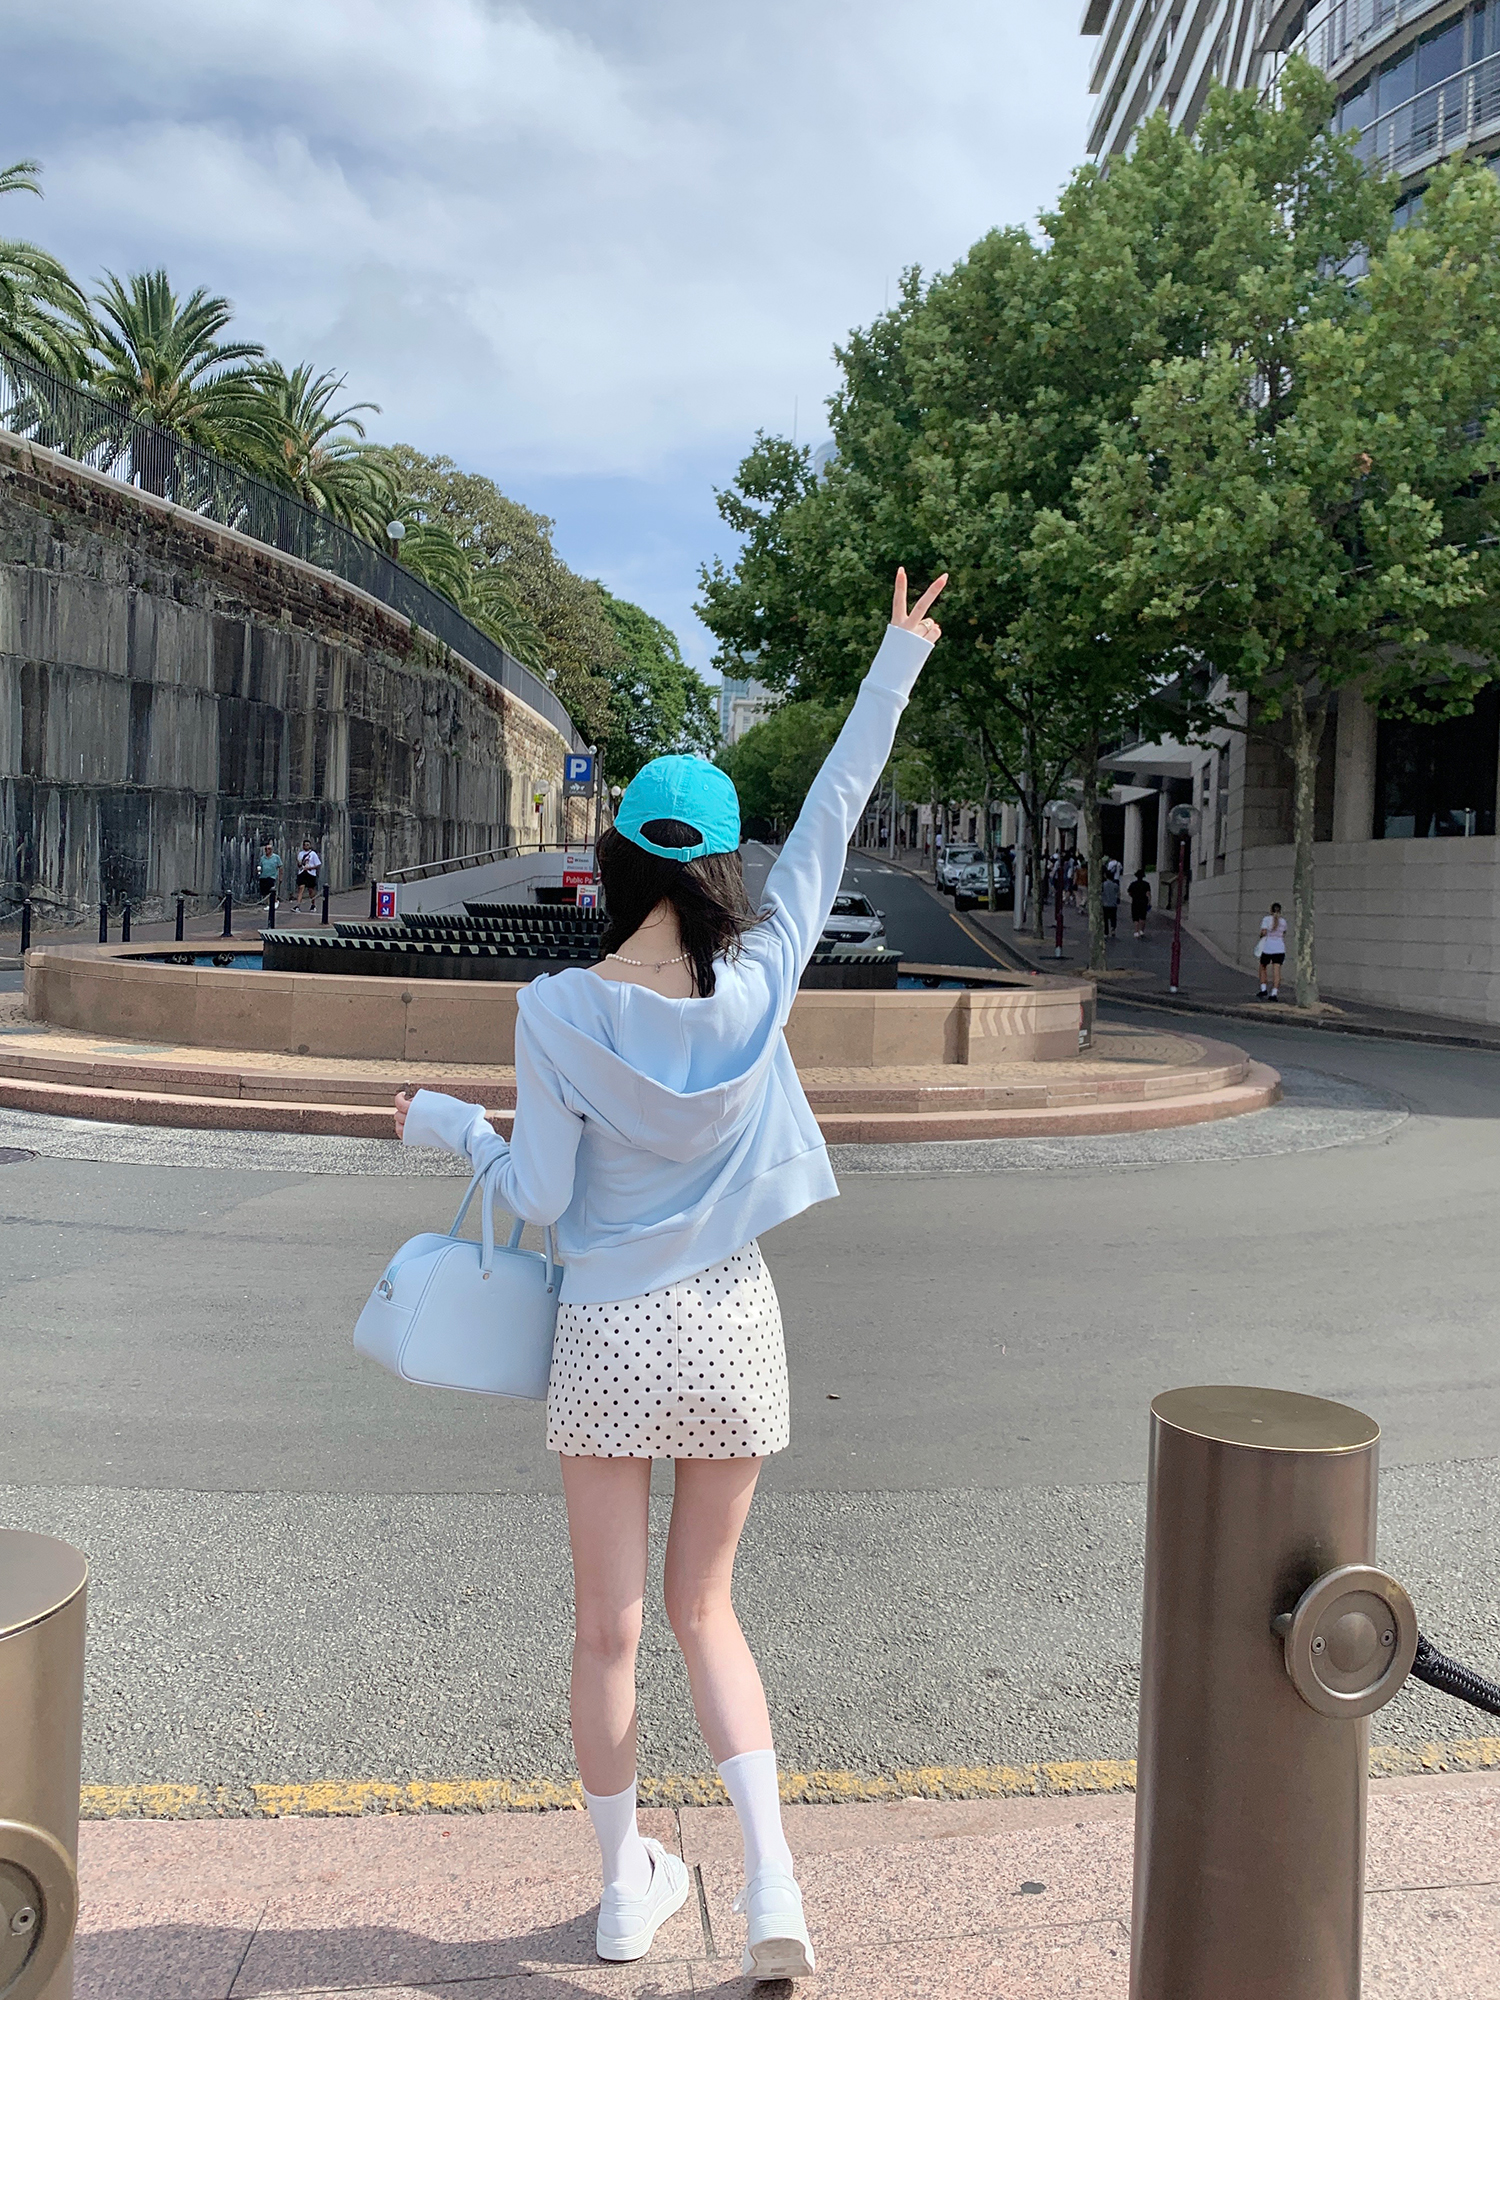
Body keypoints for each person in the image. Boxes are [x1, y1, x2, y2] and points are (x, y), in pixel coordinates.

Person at [395, 569, 946, 1981]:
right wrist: (893, 659)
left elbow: (540, 1197)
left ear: (620, 861)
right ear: (717, 872)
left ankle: (621, 1893)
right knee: (709, 1611)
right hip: (732, 1328)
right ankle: (773, 1890)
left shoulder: (557, 1011)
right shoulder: (762, 982)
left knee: (610, 1628)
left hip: (609, 1335)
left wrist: (449, 1128)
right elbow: (831, 814)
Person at [1256, 901, 1288, 999]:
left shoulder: (1266, 919)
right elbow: (1284, 933)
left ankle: (1263, 989)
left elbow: (1263, 932)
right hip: (1280, 948)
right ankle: (1274, 993)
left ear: (1271, 910)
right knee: (1276, 971)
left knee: (1263, 967)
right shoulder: (1283, 921)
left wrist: (1260, 936)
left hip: (1268, 948)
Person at [294, 839, 322, 914]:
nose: (306, 846)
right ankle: (298, 906)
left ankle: (313, 905)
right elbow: (299, 865)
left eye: (307, 845)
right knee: (301, 888)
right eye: (305, 845)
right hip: (302, 873)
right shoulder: (300, 854)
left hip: (310, 874)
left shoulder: (313, 854)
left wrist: (310, 868)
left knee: (311, 890)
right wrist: (299, 864)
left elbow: (318, 865)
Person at [1127, 868, 1152, 938]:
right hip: (1144, 902)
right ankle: (1141, 931)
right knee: (1143, 917)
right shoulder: (1146, 884)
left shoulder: (1133, 884)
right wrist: (1149, 902)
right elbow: (1148, 893)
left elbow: (1129, 892)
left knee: (1135, 917)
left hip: (1135, 901)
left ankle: (1136, 931)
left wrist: (1133, 896)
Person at [1100, 867, 1120, 938]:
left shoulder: (1103, 884)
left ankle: (1106, 932)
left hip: (1105, 904)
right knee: (1113, 918)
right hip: (1113, 904)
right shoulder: (1115, 885)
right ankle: (1113, 929)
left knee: (1105, 919)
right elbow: (1118, 894)